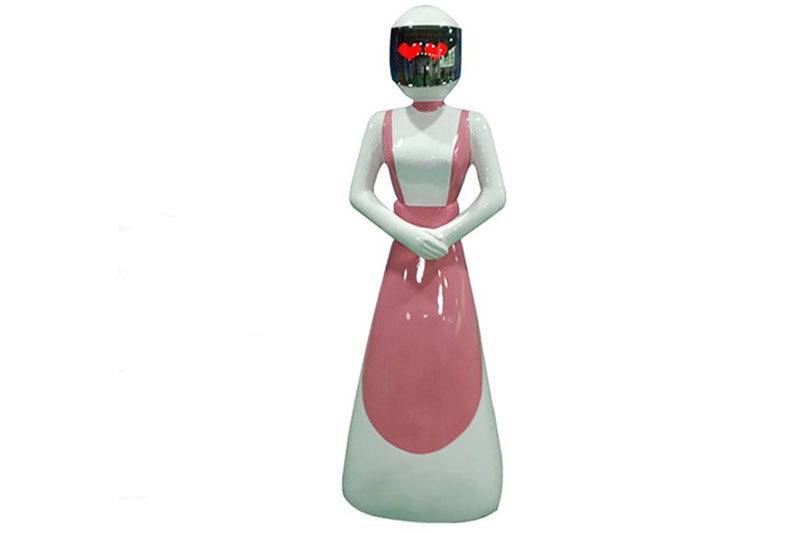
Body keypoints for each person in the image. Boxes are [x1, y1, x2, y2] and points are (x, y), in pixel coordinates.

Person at [342, 5, 507, 522]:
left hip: (446, 262)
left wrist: (448, 233)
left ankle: (460, 473)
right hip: (404, 258)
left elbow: (496, 193)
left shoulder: (472, 124)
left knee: (451, 358)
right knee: (393, 358)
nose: (426, 67)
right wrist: (407, 232)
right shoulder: (381, 123)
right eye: (413, 54)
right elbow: (359, 192)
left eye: (437, 54)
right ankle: (383, 469)